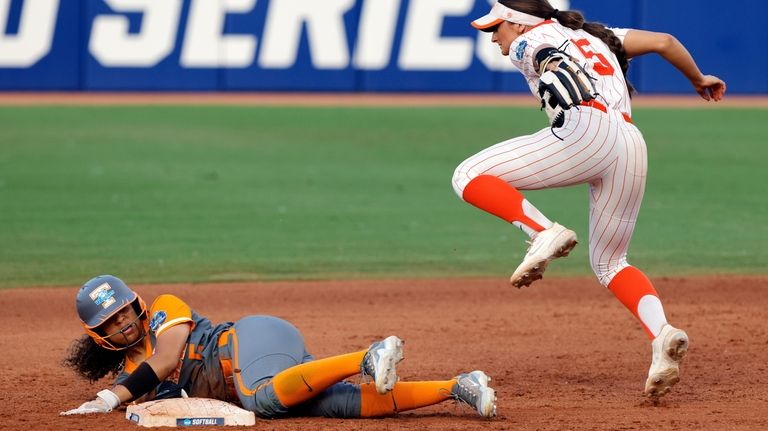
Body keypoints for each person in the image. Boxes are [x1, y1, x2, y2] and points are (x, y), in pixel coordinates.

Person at [454, 0, 725, 399]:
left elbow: (545, 56)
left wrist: (554, 68)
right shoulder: (598, 34)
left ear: (518, 23)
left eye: (497, 27)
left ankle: (542, 231)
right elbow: (665, 41)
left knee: (467, 175)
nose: (494, 37)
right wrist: (698, 78)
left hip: (586, 130)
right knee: (611, 262)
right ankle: (662, 336)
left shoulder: (528, 41)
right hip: (631, 144)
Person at [60, 275, 496, 418]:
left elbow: (169, 358)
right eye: (111, 321)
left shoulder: (164, 311)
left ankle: (366, 356)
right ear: (98, 335)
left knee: (262, 400)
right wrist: (129, 395)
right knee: (335, 406)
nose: (124, 322)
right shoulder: (130, 379)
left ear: (137, 304)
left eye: (124, 310)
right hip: (267, 370)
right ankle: (459, 386)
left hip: (250, 340)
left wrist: (109, 398)